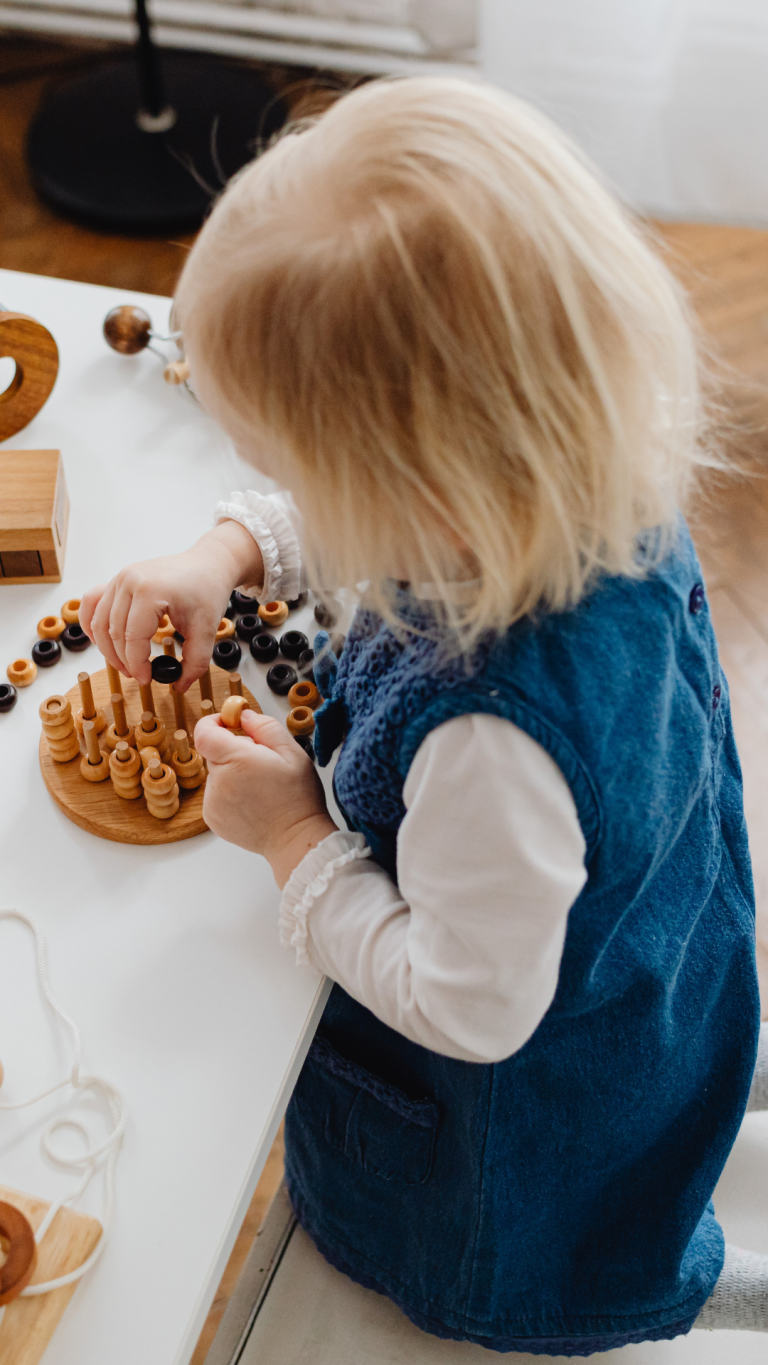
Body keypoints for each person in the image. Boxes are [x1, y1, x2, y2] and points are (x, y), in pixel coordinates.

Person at [81, 77, 768, 1353]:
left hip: (513, 1133)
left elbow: (469, 1006)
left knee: (477, 1218)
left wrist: (294, 837)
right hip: (640, 953)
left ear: (419, 492)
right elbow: (379, 535)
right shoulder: (581, 465)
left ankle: (503, 1294)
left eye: (298, 476)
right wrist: (233, 547)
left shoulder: (494, 748)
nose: (290, 496)